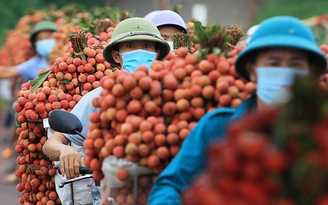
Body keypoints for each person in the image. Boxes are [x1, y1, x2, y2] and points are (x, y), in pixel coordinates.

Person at [148, 16, 327, 205]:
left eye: (295, 65)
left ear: (311, 74)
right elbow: (170, 186)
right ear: (252, 70)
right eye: (273, 63)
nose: (284, 72)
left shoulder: (320, 139)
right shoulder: (217, 127)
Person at [42, 17, 170, 204]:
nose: (140, 51)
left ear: (156, 54)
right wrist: (64, 150)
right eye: (131, 46)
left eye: (147, 46)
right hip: (111, 197)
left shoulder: (173, 95)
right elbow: (51, 143)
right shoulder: (99, 98)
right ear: (118, 56)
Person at [1, 20, 57, 184]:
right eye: (41, 38)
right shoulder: (35, 63)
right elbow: (7, 72)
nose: (46, 40)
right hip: (39, 116)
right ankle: (19, 165)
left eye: (49, 36)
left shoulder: (66, 57)